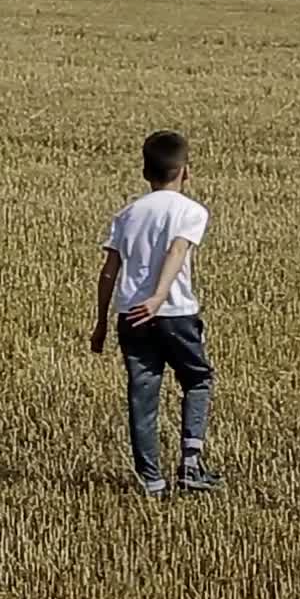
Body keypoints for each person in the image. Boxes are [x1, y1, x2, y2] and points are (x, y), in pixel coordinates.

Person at [90, 130, 221, 499]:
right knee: (197, 380)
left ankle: (151, 481)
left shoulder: (127, 215)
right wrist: (160, 295)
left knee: (142, 396)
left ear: (145, 172)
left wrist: (101, 323)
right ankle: (191, 465)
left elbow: (108, 273)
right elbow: (178, 251)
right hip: (176, 312)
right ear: (186, 172)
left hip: (131, 316)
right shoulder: (191, 211)